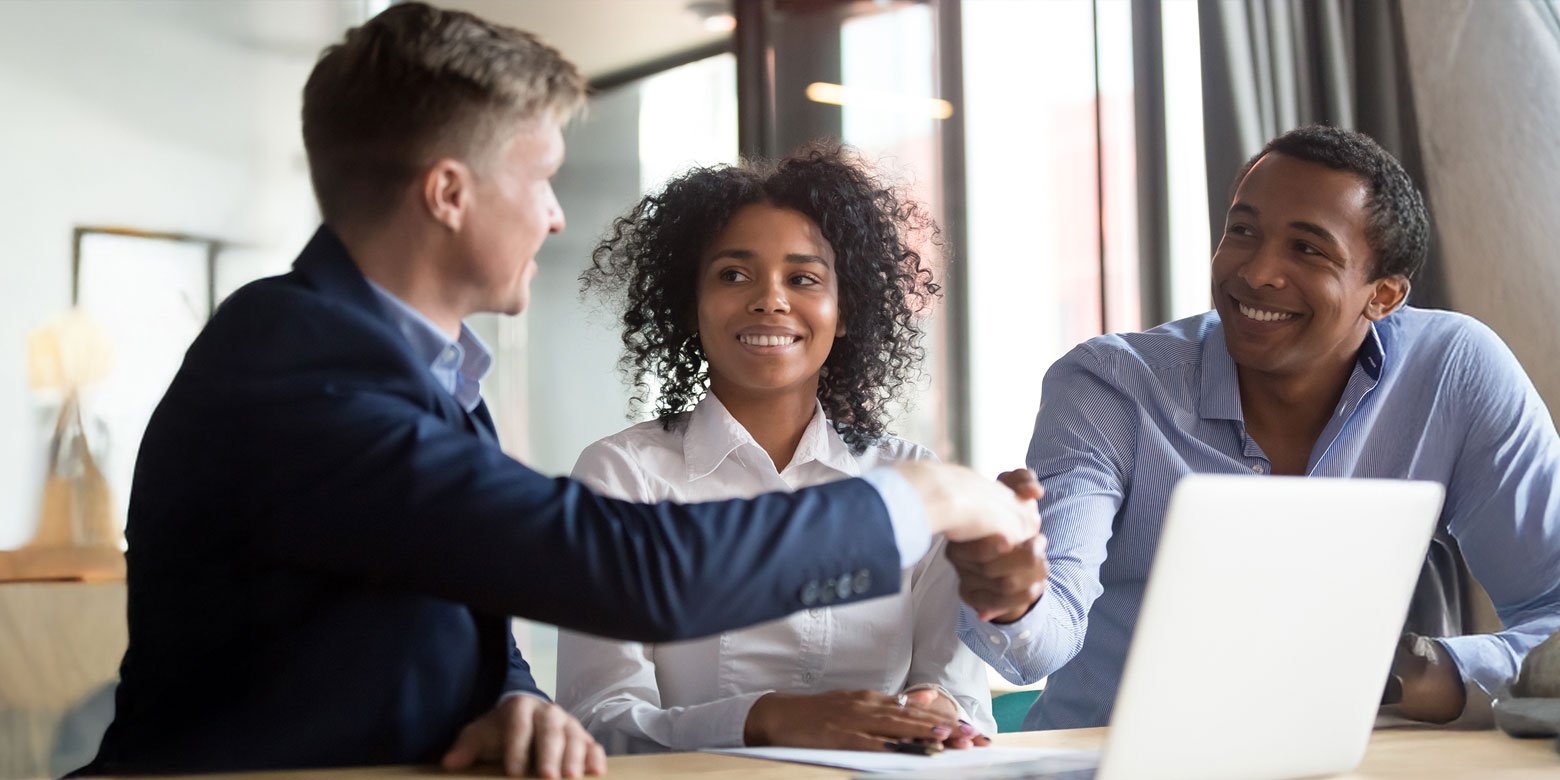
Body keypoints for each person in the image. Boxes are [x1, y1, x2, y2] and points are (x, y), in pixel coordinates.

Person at [77, 5, 1041, 778]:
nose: (555, 214)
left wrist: (512, 701)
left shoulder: (425, 370)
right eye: (539, 176)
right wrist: (934, 496)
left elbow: (464, 604)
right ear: (449, 193)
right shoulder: (297, 368)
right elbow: (633, 574)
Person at [949, 124, 1560, 731]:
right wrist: (1014, 600)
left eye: (1308, 249)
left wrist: (1415, 677)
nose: (1258, 271)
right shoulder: (1112, 384)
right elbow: (1040, 644)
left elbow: (1552, 610)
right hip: (1111, 767)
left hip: (1353, 765)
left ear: (1384, 296)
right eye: (1242, 232)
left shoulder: (1452, 371)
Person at [556, 146, 998, 755]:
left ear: (846, 310)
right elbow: (597, 721)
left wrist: (935, 712)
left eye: (804, 278)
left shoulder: (912, 477)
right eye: (733, 275)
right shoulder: (623, 475)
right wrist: (764, 720)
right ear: (691, 304)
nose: (771, 300)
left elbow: (963, 699)